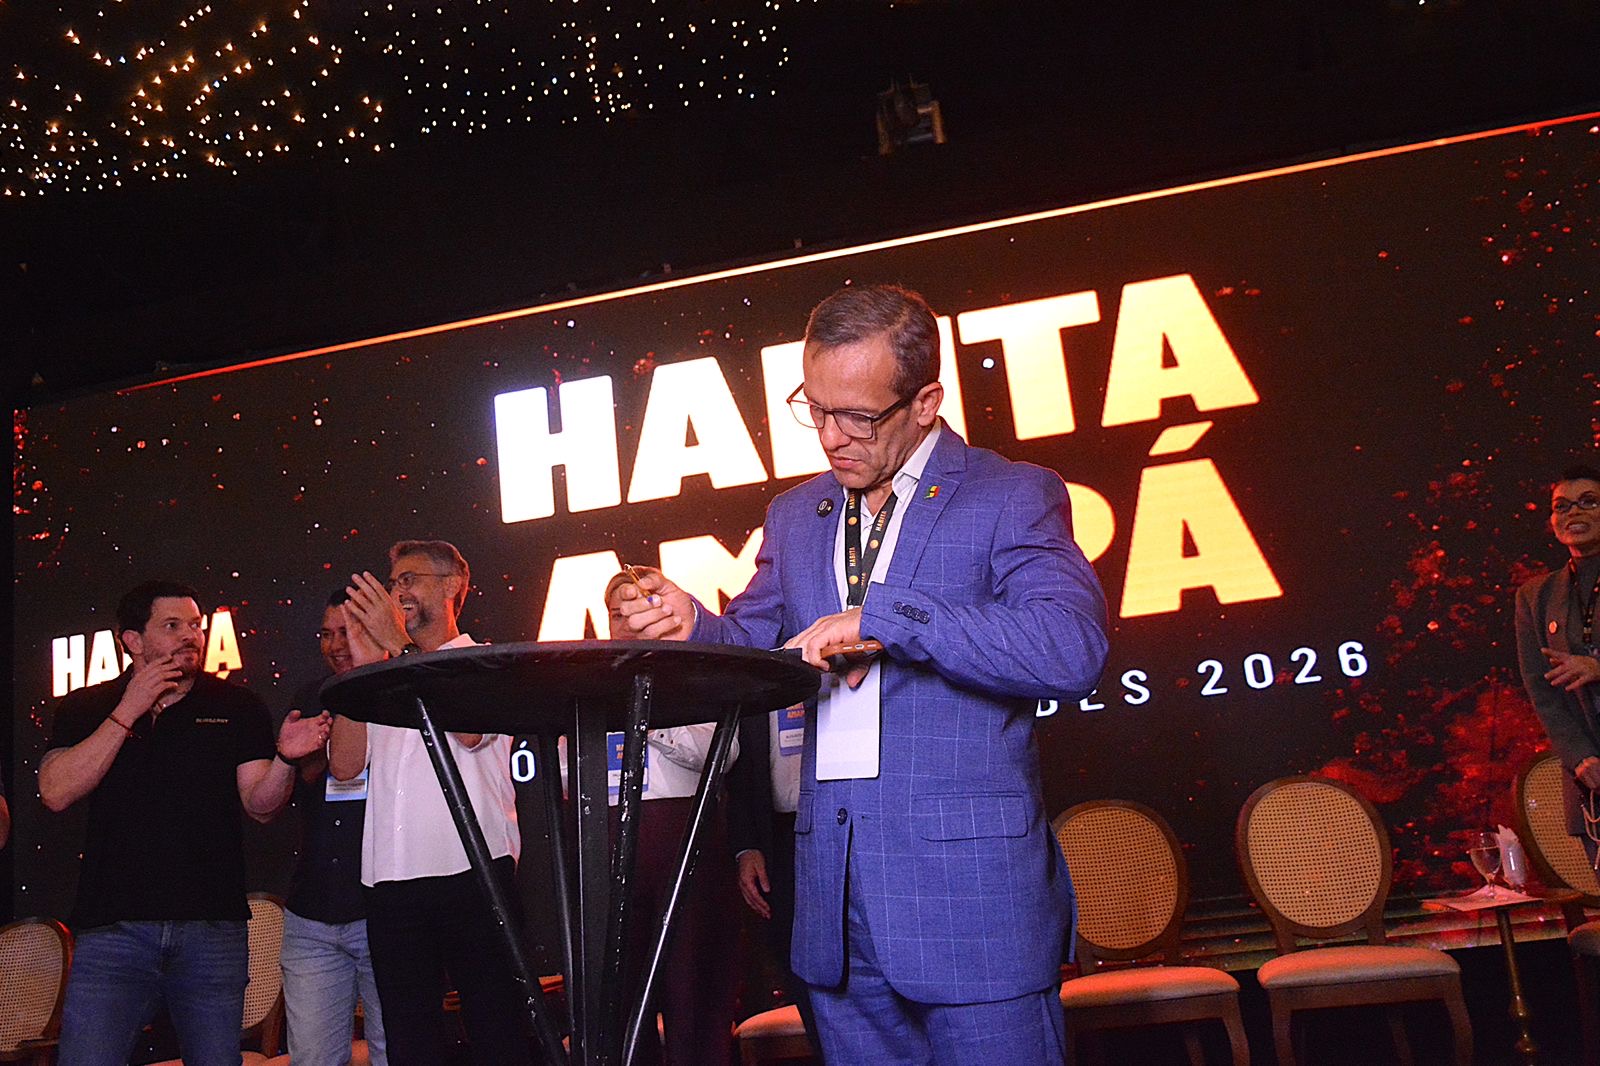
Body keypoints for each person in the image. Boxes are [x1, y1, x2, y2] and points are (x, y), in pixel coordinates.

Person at [617, 284, 1109, 1065]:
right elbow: (750, 648)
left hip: (972, 908)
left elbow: (1069, 647)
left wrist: (888, 617)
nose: (830, 437)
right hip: (835, 918)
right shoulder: (795, 514)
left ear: (926, 403)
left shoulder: (1011, 493)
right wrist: (692, 626)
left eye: (857, 417)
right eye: (814, 409)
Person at [38, 580, 330, 1066]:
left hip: (210, 932)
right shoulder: (86, 706)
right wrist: (129, 708)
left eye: (195, 625)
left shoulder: (236, 706)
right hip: (113, 932)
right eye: (172, 626)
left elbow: (261, 806)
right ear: (133, 640)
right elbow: (55, 791)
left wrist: (285, 760)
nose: (190, 636)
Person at [330, 540, 530, 1066]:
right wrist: (360, 671)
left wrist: (399, 650)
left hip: (473, 873)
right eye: (393, 582)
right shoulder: (382, 672)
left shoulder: (483, 662)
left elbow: (469, 732)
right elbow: (344, 766)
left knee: (498, 1031)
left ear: (453, 586)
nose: (398, 591)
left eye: (410, 579)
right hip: (390, 880)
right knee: (409, 1040)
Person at [601, 571, 741, 1066]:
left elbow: (721, 753)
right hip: (609, 845)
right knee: (619, 1002)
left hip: (684, 841)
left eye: (635, 607)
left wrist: (644, 719)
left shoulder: (694, 673)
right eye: (616, 612)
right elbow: (568, 770)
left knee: (693, 994)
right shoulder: (586, 681)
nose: (625, 621)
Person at [280, 590, 388, 1066]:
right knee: (312, 1059)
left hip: (384, 910)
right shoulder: (311, 697)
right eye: (327, 634)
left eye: (348, 631)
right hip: (313, 913)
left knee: (396, 1052)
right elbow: (305, 777)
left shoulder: (398, 693)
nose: (336, 645)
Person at [724, 698, 823, 1058]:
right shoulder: (759, 675)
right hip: (777, 838)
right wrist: (745, 846)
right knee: (794, 960)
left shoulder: (834, 667)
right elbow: (740, 768)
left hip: (839, 825)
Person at [1516, 462, 1600, 857]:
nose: (1573, 513)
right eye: (1562, 506)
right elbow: (1542, 690)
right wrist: (1579, 757)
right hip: (1592, 777)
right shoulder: (1536, 595)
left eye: (1588, 502)